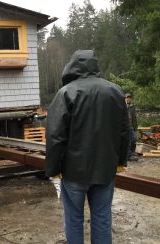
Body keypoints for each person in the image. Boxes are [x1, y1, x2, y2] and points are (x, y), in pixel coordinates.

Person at [45, 50, 130, 244]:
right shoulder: (115, 91)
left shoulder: (66, 92)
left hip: (74, 172)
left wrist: (53, 169)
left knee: (74, 218)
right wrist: (121, 161)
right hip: (105, 170)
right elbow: (125, 130)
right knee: (102, 217)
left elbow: (55, 135)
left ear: (73, 66)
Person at [125, 93, 138, 160]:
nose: (128, 99)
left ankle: (132, 153)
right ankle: (129, 156)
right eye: (127, 97)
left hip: (131, 127)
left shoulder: (132, 107)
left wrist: (136, 128)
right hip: (125, 127)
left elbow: (134, 118)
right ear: (125, 98)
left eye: (129, 98)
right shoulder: (123, 106)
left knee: (134, 140)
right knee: (128, 142)